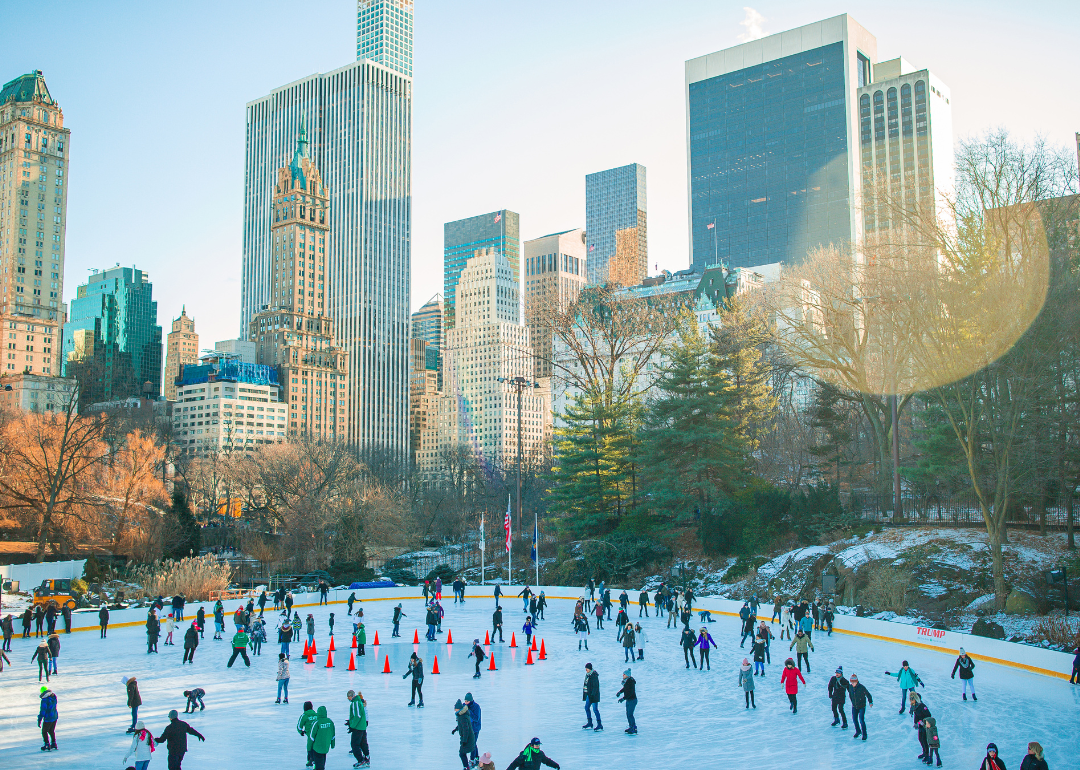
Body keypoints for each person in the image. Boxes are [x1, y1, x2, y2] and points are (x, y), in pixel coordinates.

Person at [347, 689, 370, 767]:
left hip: (358, 727)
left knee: (354, 744)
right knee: (363, 742)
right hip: (362, 726)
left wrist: (352, 725)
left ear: (352, 696)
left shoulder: (355, 703)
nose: (348, 699)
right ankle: (367, 758)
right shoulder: (358, 701)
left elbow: (357, 715)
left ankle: (361, 760)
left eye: (348, 697)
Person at [452, 699, 476, 770]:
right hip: (469, 738)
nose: (455, 710)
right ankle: (467, 766)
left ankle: (466, 767)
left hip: (468, 738)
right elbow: (462, 725)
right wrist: (455, 729)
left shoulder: (462, 716)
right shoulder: (462, 715)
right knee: (463, 753)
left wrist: (464, 740)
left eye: (455, 709)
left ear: (459, 709)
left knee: (462, 753)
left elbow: (466, 729)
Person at [848, 673, 873, 740]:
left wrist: (870, 702)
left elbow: (868, 694)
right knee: (854, 719)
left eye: (854, 682)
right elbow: (850, 695)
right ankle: (858, 731)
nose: (852, 683)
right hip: (854, 706)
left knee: (861, 720)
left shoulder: (861, 687)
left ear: (856, 681)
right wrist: (852, 702)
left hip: (862, 706)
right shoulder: (850, 687)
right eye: (851, 682)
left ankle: (864, 734)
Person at [910, 692, 932, 763]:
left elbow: (928, 715)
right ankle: (924, 752)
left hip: (925, 726)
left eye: (912, 699)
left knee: (924, 740)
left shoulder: (922, 706)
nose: (910, 700)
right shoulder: (915, 706)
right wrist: (915, 723)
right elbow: (916, 715)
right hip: (920, 725)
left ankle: (927, 755)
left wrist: (923, 722)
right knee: (920, 739)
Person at [297, 701, 319, 768]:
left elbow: (299, 726)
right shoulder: (316, 714)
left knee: (309, 747)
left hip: (310, 734)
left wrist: (301, 732)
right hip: (318, 734)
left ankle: (311, 760)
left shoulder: (304, 715)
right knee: (316, 747)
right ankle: (313, 760)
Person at [616, 668, 638, 733]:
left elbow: (630, 692)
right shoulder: (627, 681)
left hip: (632, 700)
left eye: (624, 674)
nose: (623, 675)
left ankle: (634, 728)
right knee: (628, 714)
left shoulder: (630, 682)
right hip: (629, 700)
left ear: (627, 675)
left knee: (630, 714)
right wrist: (620, 692)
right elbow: (625, 689)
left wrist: (623, 698)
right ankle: (631, 726)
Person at [582, 663, 602, 730]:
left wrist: (592, 695)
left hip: (594, 696)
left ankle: (599, 724)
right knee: (586, 707)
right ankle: (590, 722)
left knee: (595, 709)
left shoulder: (594, 675)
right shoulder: (588, 675)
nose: (586, 670)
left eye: (587, 669)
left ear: (590, 669)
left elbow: (595, 686)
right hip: (589, 695)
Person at [37, 684, 58, 751]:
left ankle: (46, 744)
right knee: (51, 730)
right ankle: (54, 743)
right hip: (54, 716)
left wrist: (39, 719)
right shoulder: (53, 696)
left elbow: (43, 710)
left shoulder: (45, 700)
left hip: (48, 718)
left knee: (44, 731)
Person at [464, 692, 482, 765]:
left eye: (467, 701)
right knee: (473, 743)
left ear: (471, 701)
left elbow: (476, 718)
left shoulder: (476, 707)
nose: (465, 703)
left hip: (475, 728)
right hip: (469, 728)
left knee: (472, 743)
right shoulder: (464, 706)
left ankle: (472, 760)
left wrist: (469, 711)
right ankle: (477, 757)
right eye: (465, 701)